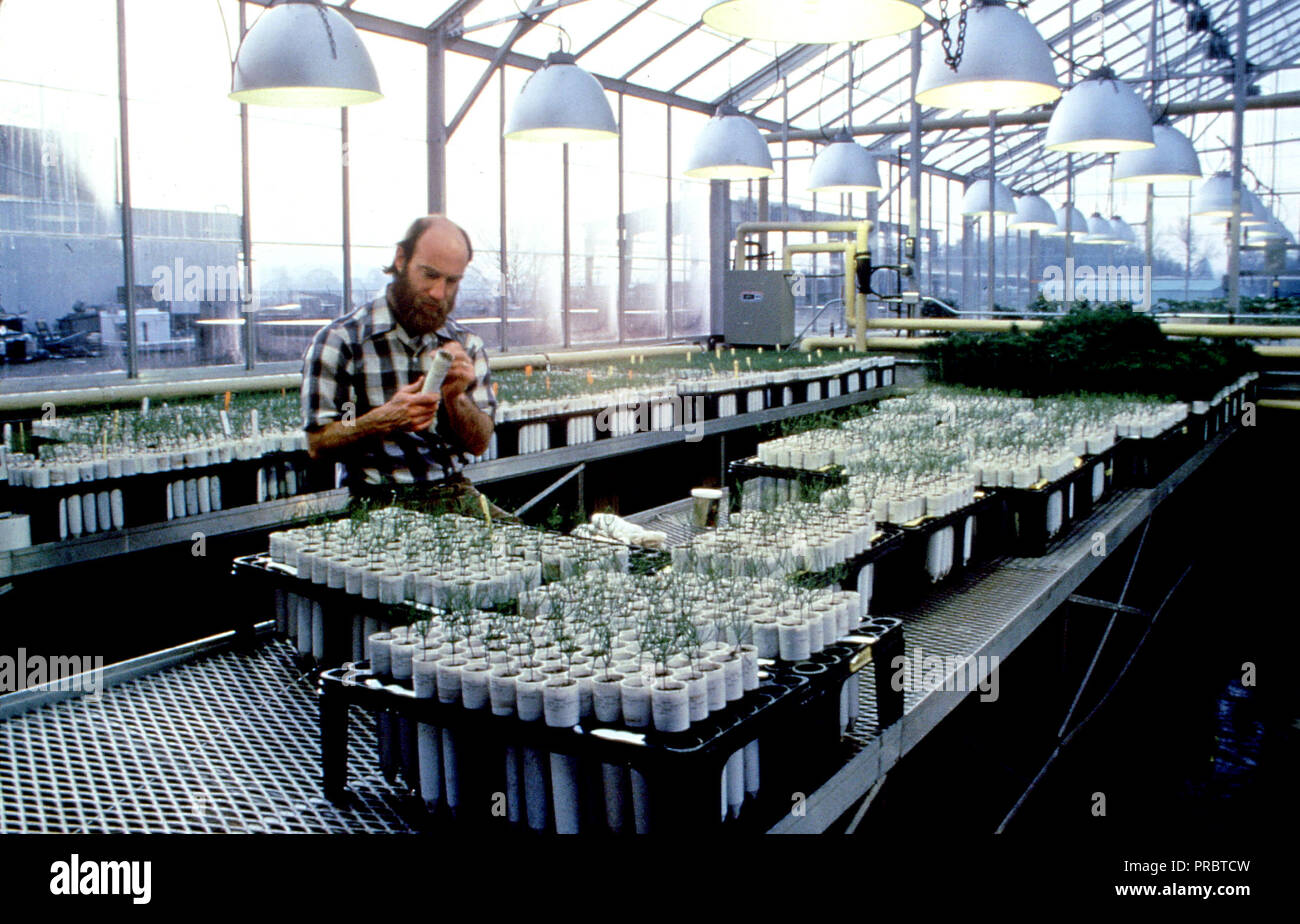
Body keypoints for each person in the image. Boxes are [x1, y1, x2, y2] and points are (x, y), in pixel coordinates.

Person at [300, 215, 498, 510]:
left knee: (532, 552)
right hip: (376, 498)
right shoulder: (345, 343)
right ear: (401, 259)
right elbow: (319, 444)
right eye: (429, 275)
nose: (439, 293)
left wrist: (456, 398)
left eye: (452, 281)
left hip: (453, 492)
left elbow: (479, 443)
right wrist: (382, 419)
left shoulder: (465, 345)